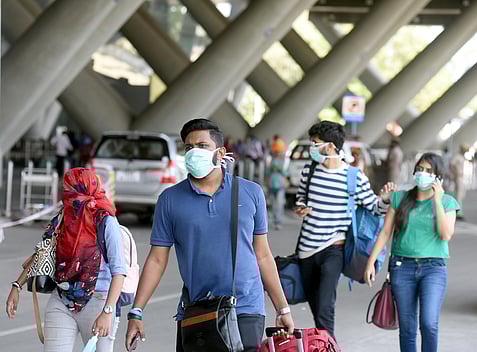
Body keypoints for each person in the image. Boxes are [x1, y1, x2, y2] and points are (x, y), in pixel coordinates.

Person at [125, 119, 294, 352]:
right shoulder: (170, 199)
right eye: (188, 147)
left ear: (220, 152)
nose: (194, 152)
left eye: (202, 146)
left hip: (246, 308)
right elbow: (156, 259)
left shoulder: (251, 193)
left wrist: (282, 309)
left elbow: (263, 255)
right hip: (197, 310)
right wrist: (137, 311)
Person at [6, 168, 126, 352]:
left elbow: (119, 272)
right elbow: (42, 252)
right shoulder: (63, 217)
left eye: (69, 189)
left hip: (98, 302)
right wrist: (17, 285)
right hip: (62, 299)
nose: (65, 195)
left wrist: (107, 312)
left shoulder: (106, 222)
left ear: (82, 190)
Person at [295, 121, 394, 339]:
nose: (312, 147)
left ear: (330, 146)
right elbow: (301, 196)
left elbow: (375, 208)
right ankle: (323, 342)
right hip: (306, 250)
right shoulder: (309, 171)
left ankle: (328, 345)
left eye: (315, 143)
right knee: (316, 308)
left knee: (325, 308)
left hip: (334, 249)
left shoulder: (354, 177)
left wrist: (385, 199)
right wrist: (301, 207)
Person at [365, 153, 459, 352]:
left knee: (429, 323)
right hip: (402, 268)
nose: (422, 174)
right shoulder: (399, 198)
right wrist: (371, 262)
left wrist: (437, 201)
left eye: (429, 171)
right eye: (420, 169)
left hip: (433, 269)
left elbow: (445, 234)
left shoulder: (447, 202)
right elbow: (385, 232)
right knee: (407, 329)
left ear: (438, 177)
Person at [266, 149, 287, 230]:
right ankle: (275, 220)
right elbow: (267, 173)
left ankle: (278, 221)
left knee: (279, 204)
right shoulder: (270, 161)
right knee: (274, 204)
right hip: (272, 185)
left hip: (280, 185)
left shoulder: (283, 162)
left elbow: (285, 173)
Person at [449, 145, 467, 220]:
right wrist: (455, 173)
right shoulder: (457, 156)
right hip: (458, 178)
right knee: (458, 195)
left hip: (461, 177)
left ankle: (459, 212)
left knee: (461, 195)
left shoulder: (461, 156)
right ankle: (458, 213)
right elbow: (451, 164)